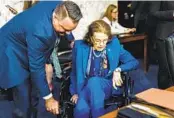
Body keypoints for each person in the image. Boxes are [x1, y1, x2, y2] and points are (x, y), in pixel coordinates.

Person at [0, 1, 82, 117]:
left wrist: (70, 38)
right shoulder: (41, 32)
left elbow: (65, 29)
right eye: (64, 29)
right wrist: (49, 98)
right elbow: (37, 67)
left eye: (70, 29)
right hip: (10, 52)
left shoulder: (60, 6)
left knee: (34, 91)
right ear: (55, 17)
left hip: (26, 41)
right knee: (24, 95)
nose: (67, 33)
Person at [70, 20, 138, 118]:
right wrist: (75, 92)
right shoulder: (79, 46)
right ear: (90, 37)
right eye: (97, 40)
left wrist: (118, 69)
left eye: (105, 40)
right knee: (81, 110)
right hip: (85, 87)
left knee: (94, 82)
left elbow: (134, 62)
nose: (101, 44)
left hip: (106, 85)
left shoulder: (114, 44)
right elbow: (74, 72)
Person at [149, 1, 174, 89]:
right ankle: (162, 94)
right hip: (164, 34)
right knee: (165, 68)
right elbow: (153, 12)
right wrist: (172, 13)